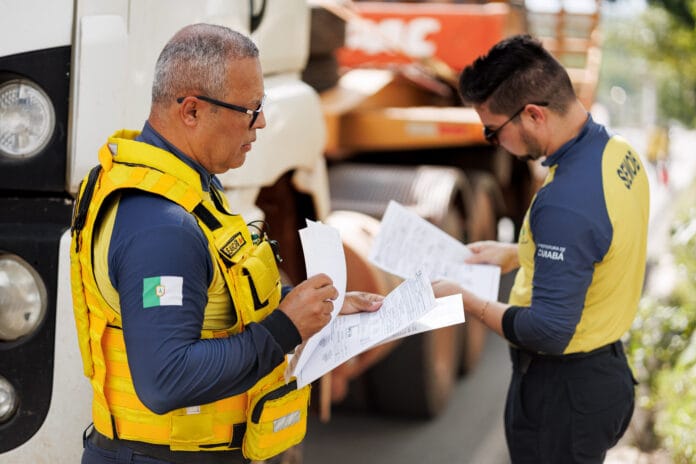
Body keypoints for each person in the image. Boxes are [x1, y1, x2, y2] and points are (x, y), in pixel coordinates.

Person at [70, 23, 383, 464]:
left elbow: (217, 302)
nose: (261, 122)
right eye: (250, 109)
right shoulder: (162, 227)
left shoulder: (188, 186)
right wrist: (285, 329)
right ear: (192, 111)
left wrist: (309, 306)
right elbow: (165, 380)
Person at [433, 34, 649, 463]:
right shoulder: (618, 153)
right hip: (603, 376)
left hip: (562, 398)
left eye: (493, 131)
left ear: (533, 114)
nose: (494, 143)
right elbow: (601, 240)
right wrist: (518, 253)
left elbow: (547, 331)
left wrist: (466, 301)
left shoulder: (565, 202)